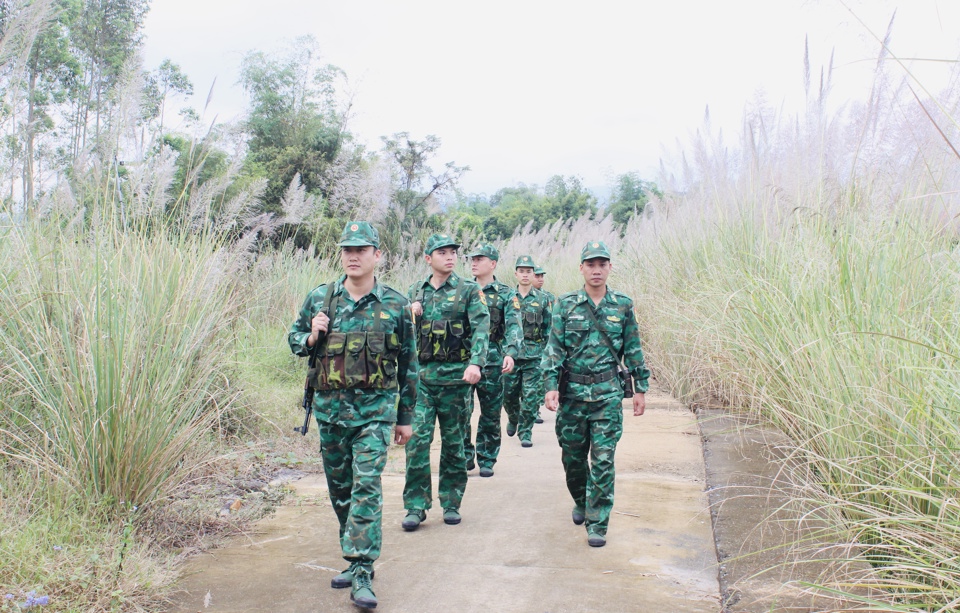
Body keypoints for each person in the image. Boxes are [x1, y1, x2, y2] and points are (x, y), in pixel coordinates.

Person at [287, 221, 417, 610]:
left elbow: (410, 364)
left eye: (361, 249)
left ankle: (362, 569)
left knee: (366, 487)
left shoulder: (395, 304)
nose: (353, 256)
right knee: (340, 490)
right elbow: (294, 341)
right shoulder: (320, 299)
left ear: (378, 255)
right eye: (347, 249)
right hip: (331, 415)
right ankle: (354, 551)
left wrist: (404, 417)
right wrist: (312, 335)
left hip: (374, 416)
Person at [542, 241, 650, 548]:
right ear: (582, 268)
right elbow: (553, 350)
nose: (597, 270)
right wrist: (550, 386)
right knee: (573, 459)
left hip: (607, 396)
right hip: (573, 396)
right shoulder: (565, 305)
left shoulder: (622, 305)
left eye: (602, 264)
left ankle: (598, 521)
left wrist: (640, 388)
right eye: (591, 264)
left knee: (603, 460)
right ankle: (582, 499)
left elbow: (633, 349)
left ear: (610, 268)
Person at [402, 233, 490, 530]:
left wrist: (476, 362)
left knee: (454, 444)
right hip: (423, 380)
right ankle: (416, 505)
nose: (450, 256)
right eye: (442, 252)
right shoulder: (417, 290)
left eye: (453, 251)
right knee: (417, 443)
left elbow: (481, 328)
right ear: (428, 258)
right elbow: (405, 335)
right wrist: (409, 315)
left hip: (456, 379)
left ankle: (451, 502)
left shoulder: (467, 290)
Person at [462, 244, 522, 477]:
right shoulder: (463, 289)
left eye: (480, 259)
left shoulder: (505, 293)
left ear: (493, 263)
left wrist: (511, 352)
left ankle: (487, 458)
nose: (474, 262)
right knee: (461, 411)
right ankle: (465, 455)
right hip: (464, 359)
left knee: (490, 412)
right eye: (472, 259)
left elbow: (514, 326)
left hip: (493, 358)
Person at [502, 255, 552, 447]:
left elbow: (549, 329)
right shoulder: (508, 297)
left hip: (534, 356)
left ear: (533, 274)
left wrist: (547, 355)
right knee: (509, 396)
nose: (525, 275)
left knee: (531, 397)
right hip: (511, 357)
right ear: (516, 274)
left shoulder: (542, 299)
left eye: (528, 271)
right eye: (521, 271)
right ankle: (513, 418)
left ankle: (526, 431)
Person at [532, 265, 556, 425]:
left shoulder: (549, 297)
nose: (540, 279)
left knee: (539, 378)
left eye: (542, 276)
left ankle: (535, 409)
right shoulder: (515, 297)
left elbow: (552, 322)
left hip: (542, 344)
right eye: (537, 276)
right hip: (526, 345)